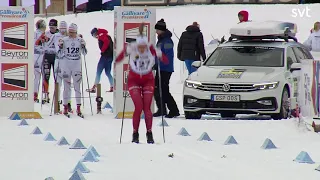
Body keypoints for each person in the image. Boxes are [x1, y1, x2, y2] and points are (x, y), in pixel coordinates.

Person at [115, 23, 168, 144]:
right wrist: (119, 58)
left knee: (147, 108)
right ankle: (135, 133)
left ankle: (149, 133)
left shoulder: (151, 48)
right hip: (134, 79)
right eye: (140, 47)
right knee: (138, 107)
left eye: (144, 47)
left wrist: (160, 55)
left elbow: (166, 60)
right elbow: (118, 58)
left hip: (148, 79)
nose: (142, 49)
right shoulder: (132, 47)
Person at [57, 23, 87, 117]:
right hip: (67, 65)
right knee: (66, 87)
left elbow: (84, 53)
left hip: (76, 65)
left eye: (72, 32)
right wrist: (60, 46)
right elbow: (59, 54)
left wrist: (83, 46)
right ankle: (65, 107)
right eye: (69, 32)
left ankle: (78, 108)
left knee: (77, 87)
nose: (71, 34)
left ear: (76, 32)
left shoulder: (80, 40)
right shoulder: (64, 40)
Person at [153, 19, 180, 118]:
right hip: (160, 68)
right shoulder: (161, 39)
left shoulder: (167, 41)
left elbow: (167, 56)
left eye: (157, 30)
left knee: (164, 90)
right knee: (157, 89)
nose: (156, 31)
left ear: (162, 30)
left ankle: (174, 110)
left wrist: (160, 62)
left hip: (165, 69)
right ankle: (161, 109)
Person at [87, 27, 114, 93]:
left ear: (96, 33)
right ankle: (113, 86)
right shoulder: (106, 35)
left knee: (98, 72)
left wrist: (103, 50)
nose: (95, 37)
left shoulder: (101, 35)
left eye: (94, 35)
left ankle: (94, 87)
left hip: (105, 56)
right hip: (110, 56)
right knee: (108, 72)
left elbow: (106, 42)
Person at [54, 21, 73, 112]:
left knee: (68, 84)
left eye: (64, 28)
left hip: (67, 63)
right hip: (58, 61)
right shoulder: (56, 36)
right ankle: (57, 103)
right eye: (61, 28)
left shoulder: (69, 37)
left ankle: (68, 103)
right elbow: (56, 49)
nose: (62, 30)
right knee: (58, 83)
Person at [42, 19, 59, 104]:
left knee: (57, 77)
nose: (51, 28)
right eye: (50, 27)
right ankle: (45, 95)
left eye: (53, 27)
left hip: (56, 57)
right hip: (47, 57)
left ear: (56, 27)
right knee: (46, 76)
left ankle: (57, 96)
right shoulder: (46, 33)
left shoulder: (59, 34)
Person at [34, 19, 47, 103]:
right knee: (44, 76)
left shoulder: (33, 33)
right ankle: (44, 94)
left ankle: (35, 94)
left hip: (35, 56)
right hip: (41, 56)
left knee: (36, 77)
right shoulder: (42, 34)